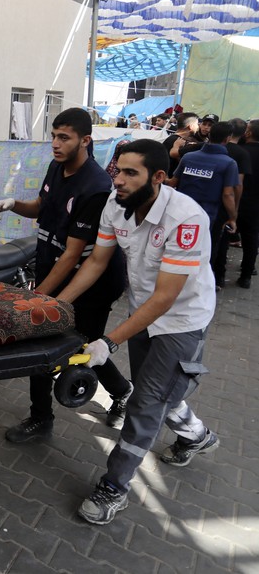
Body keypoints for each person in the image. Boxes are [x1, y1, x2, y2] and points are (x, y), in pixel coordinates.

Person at [56, 139, 219, 525]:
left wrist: (109, 342)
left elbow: (166, 297)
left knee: (145, 404)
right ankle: (197, 436)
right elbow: (96, 261)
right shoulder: (116, 204)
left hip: (181, 319)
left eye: (131, 173)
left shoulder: (186, 218)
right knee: (160, 390)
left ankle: (115, 486)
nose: (119, 180)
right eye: (117, 169)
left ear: (158, 177)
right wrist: (57, 306)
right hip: (141, 312)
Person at [0, 107, 132, 442]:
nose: (54, 143)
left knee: (67, 344)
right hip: (53, 264)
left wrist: (34, 298)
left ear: (85, 140)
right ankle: (117, 393)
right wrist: (14, 204)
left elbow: (73, 256)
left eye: (63, 137)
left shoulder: (97, 188)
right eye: (53, 135)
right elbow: (41, 207)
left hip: (92, 284)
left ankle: (45, 417)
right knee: (67, 343)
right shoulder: (58, 167)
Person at [167, 122, 239, 290]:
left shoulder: (188, 157)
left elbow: (172, 183)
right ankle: (198, 286)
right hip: (208, 216)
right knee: (205, 251)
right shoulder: (228, 163)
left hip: (181, 212)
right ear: (228, 138)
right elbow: (228, 194)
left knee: (179, 247)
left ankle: (175, 282)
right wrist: (233, 217)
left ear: (209, 135)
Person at [211, 119, 251, 287]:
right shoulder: (240, 154)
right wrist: (233, 212)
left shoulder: (198, 152)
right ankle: (218, 277)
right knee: (221, 243)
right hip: (222, 207)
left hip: (208, 205)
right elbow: (236, 187)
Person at [237, 119, 259, 289]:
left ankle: (219, 275)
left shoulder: (240, 152)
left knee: (225, 235)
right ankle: (246, 274)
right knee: (251, 238)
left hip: (236, 200)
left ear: (249, 133)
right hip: (255, 204)